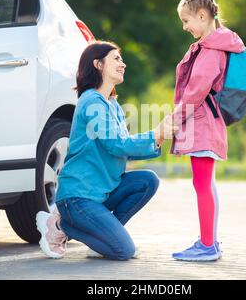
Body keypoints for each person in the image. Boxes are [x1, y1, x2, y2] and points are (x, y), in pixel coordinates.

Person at [36, 40, 178, 261]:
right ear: (98, 64)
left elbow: (123, 148)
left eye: (121, 59)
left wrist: (157, 139)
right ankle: (60, 224)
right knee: (124, 251)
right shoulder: (91, 101)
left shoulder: (112, 104)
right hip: (78, 197)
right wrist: (154, 134)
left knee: (147, 181)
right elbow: (116, 143)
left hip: (101, 193)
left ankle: (102, 239)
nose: (123, 64)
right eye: (116, 58)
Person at [170, 0, 245, 261]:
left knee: (202, 184)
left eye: (186, 20)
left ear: (202, 16)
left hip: (202, 124)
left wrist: (174, 120)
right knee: (205, 183)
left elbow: (196, 91)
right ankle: (208, 240)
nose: (185, 26)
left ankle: (207, 245)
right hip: (207, 124)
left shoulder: (212, 50)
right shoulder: (216, 45)